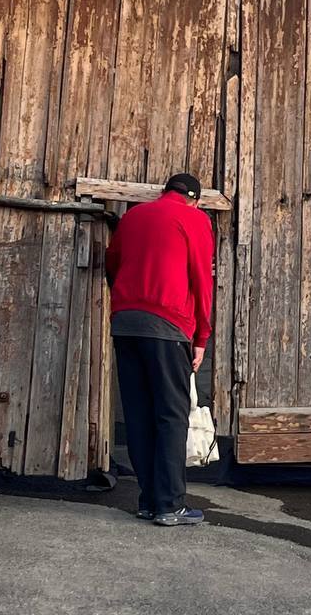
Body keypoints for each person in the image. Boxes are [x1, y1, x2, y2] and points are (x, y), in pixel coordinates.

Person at [105, 172, 213, 526]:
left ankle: (148, 500)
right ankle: (169, 505)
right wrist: (202, 337)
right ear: (195, 199)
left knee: (138, 413)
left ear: (164, 192)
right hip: (168, 324)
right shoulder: (194, 219)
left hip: (126, 322)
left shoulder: (133, 216)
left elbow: (112, 264)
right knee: (171, 414)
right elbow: (202, 278)